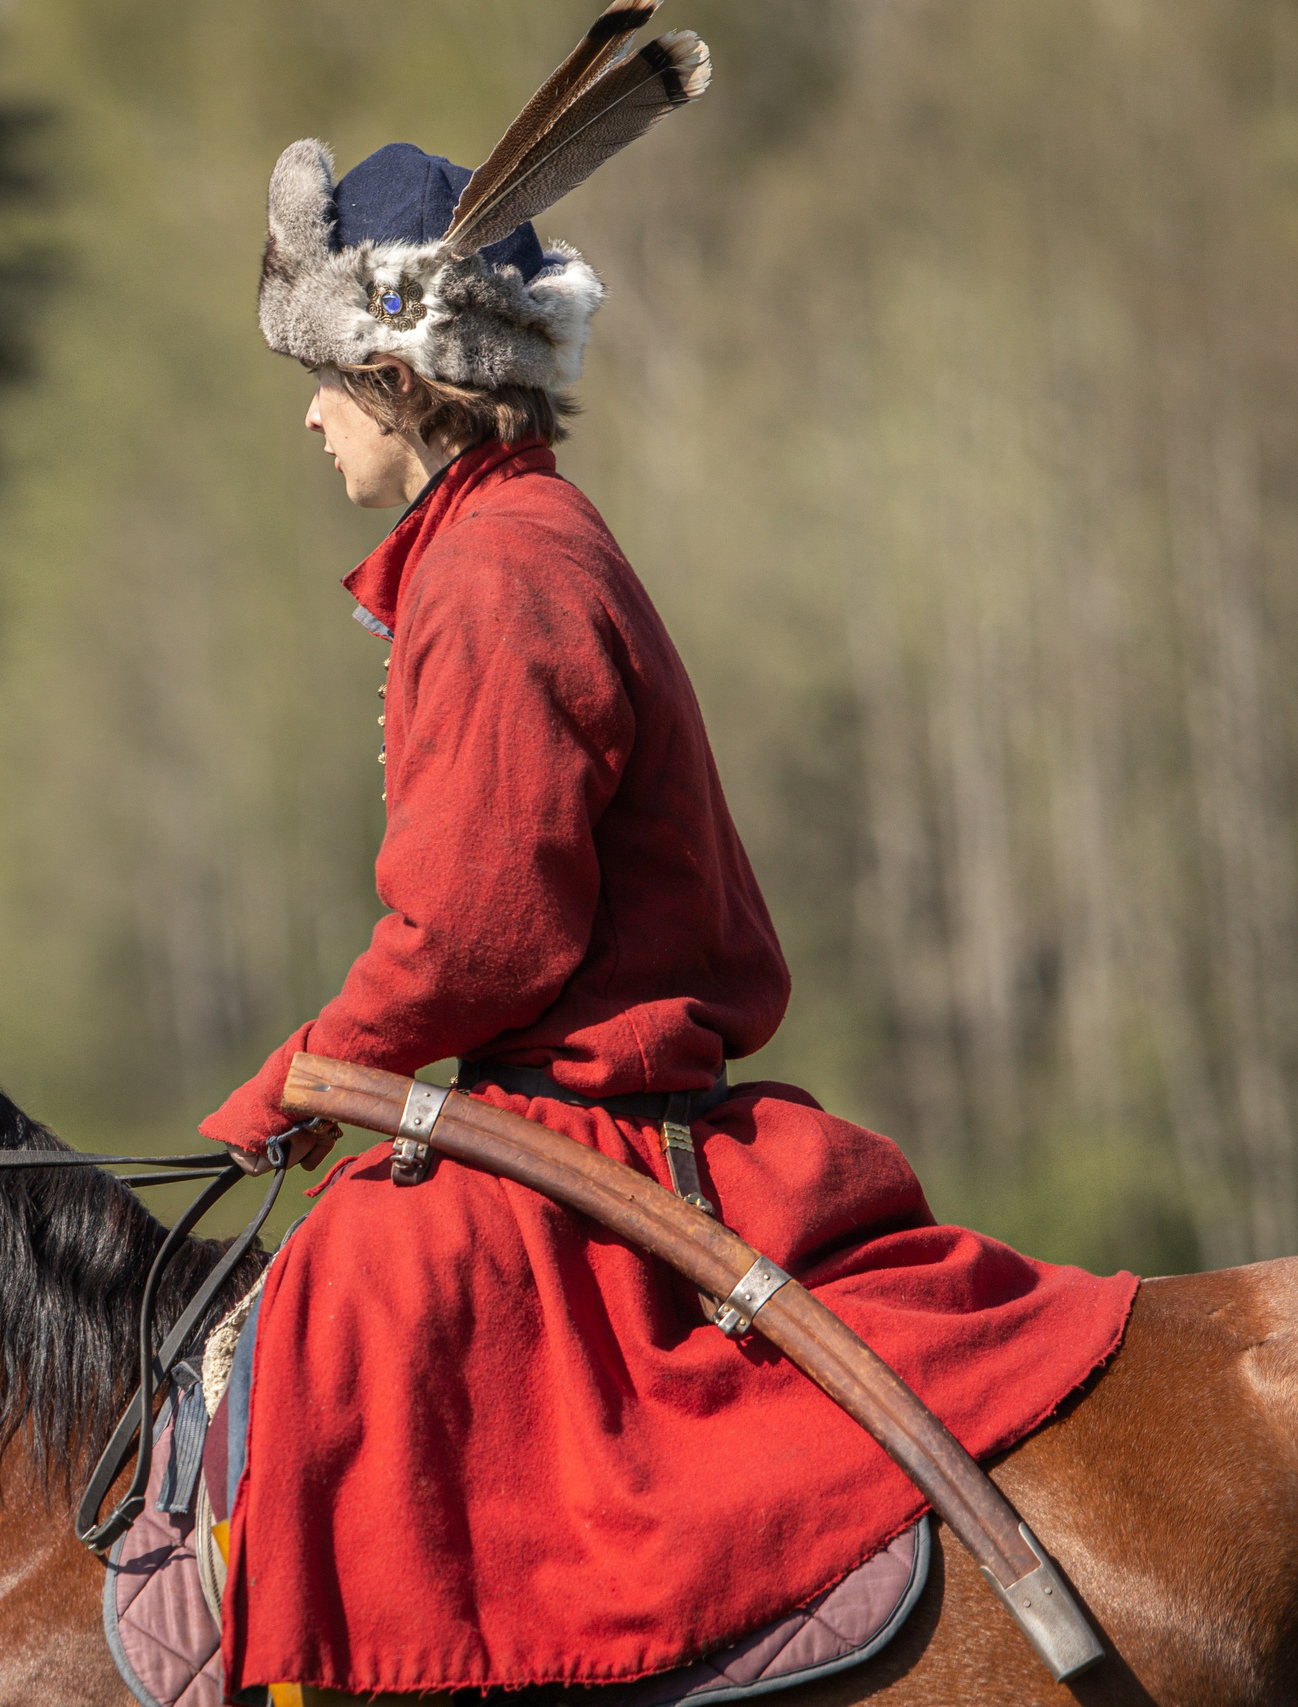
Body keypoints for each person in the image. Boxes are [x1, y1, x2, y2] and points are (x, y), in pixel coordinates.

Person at [198, 6, 1137, 1700]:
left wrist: (303, 1072)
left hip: (603, 1118)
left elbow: (479, 933)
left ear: (404, 376)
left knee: (358, 1285)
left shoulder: (496, 571)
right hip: (575, 1108)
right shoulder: (498, 543)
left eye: (327, 384)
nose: (313, 422)